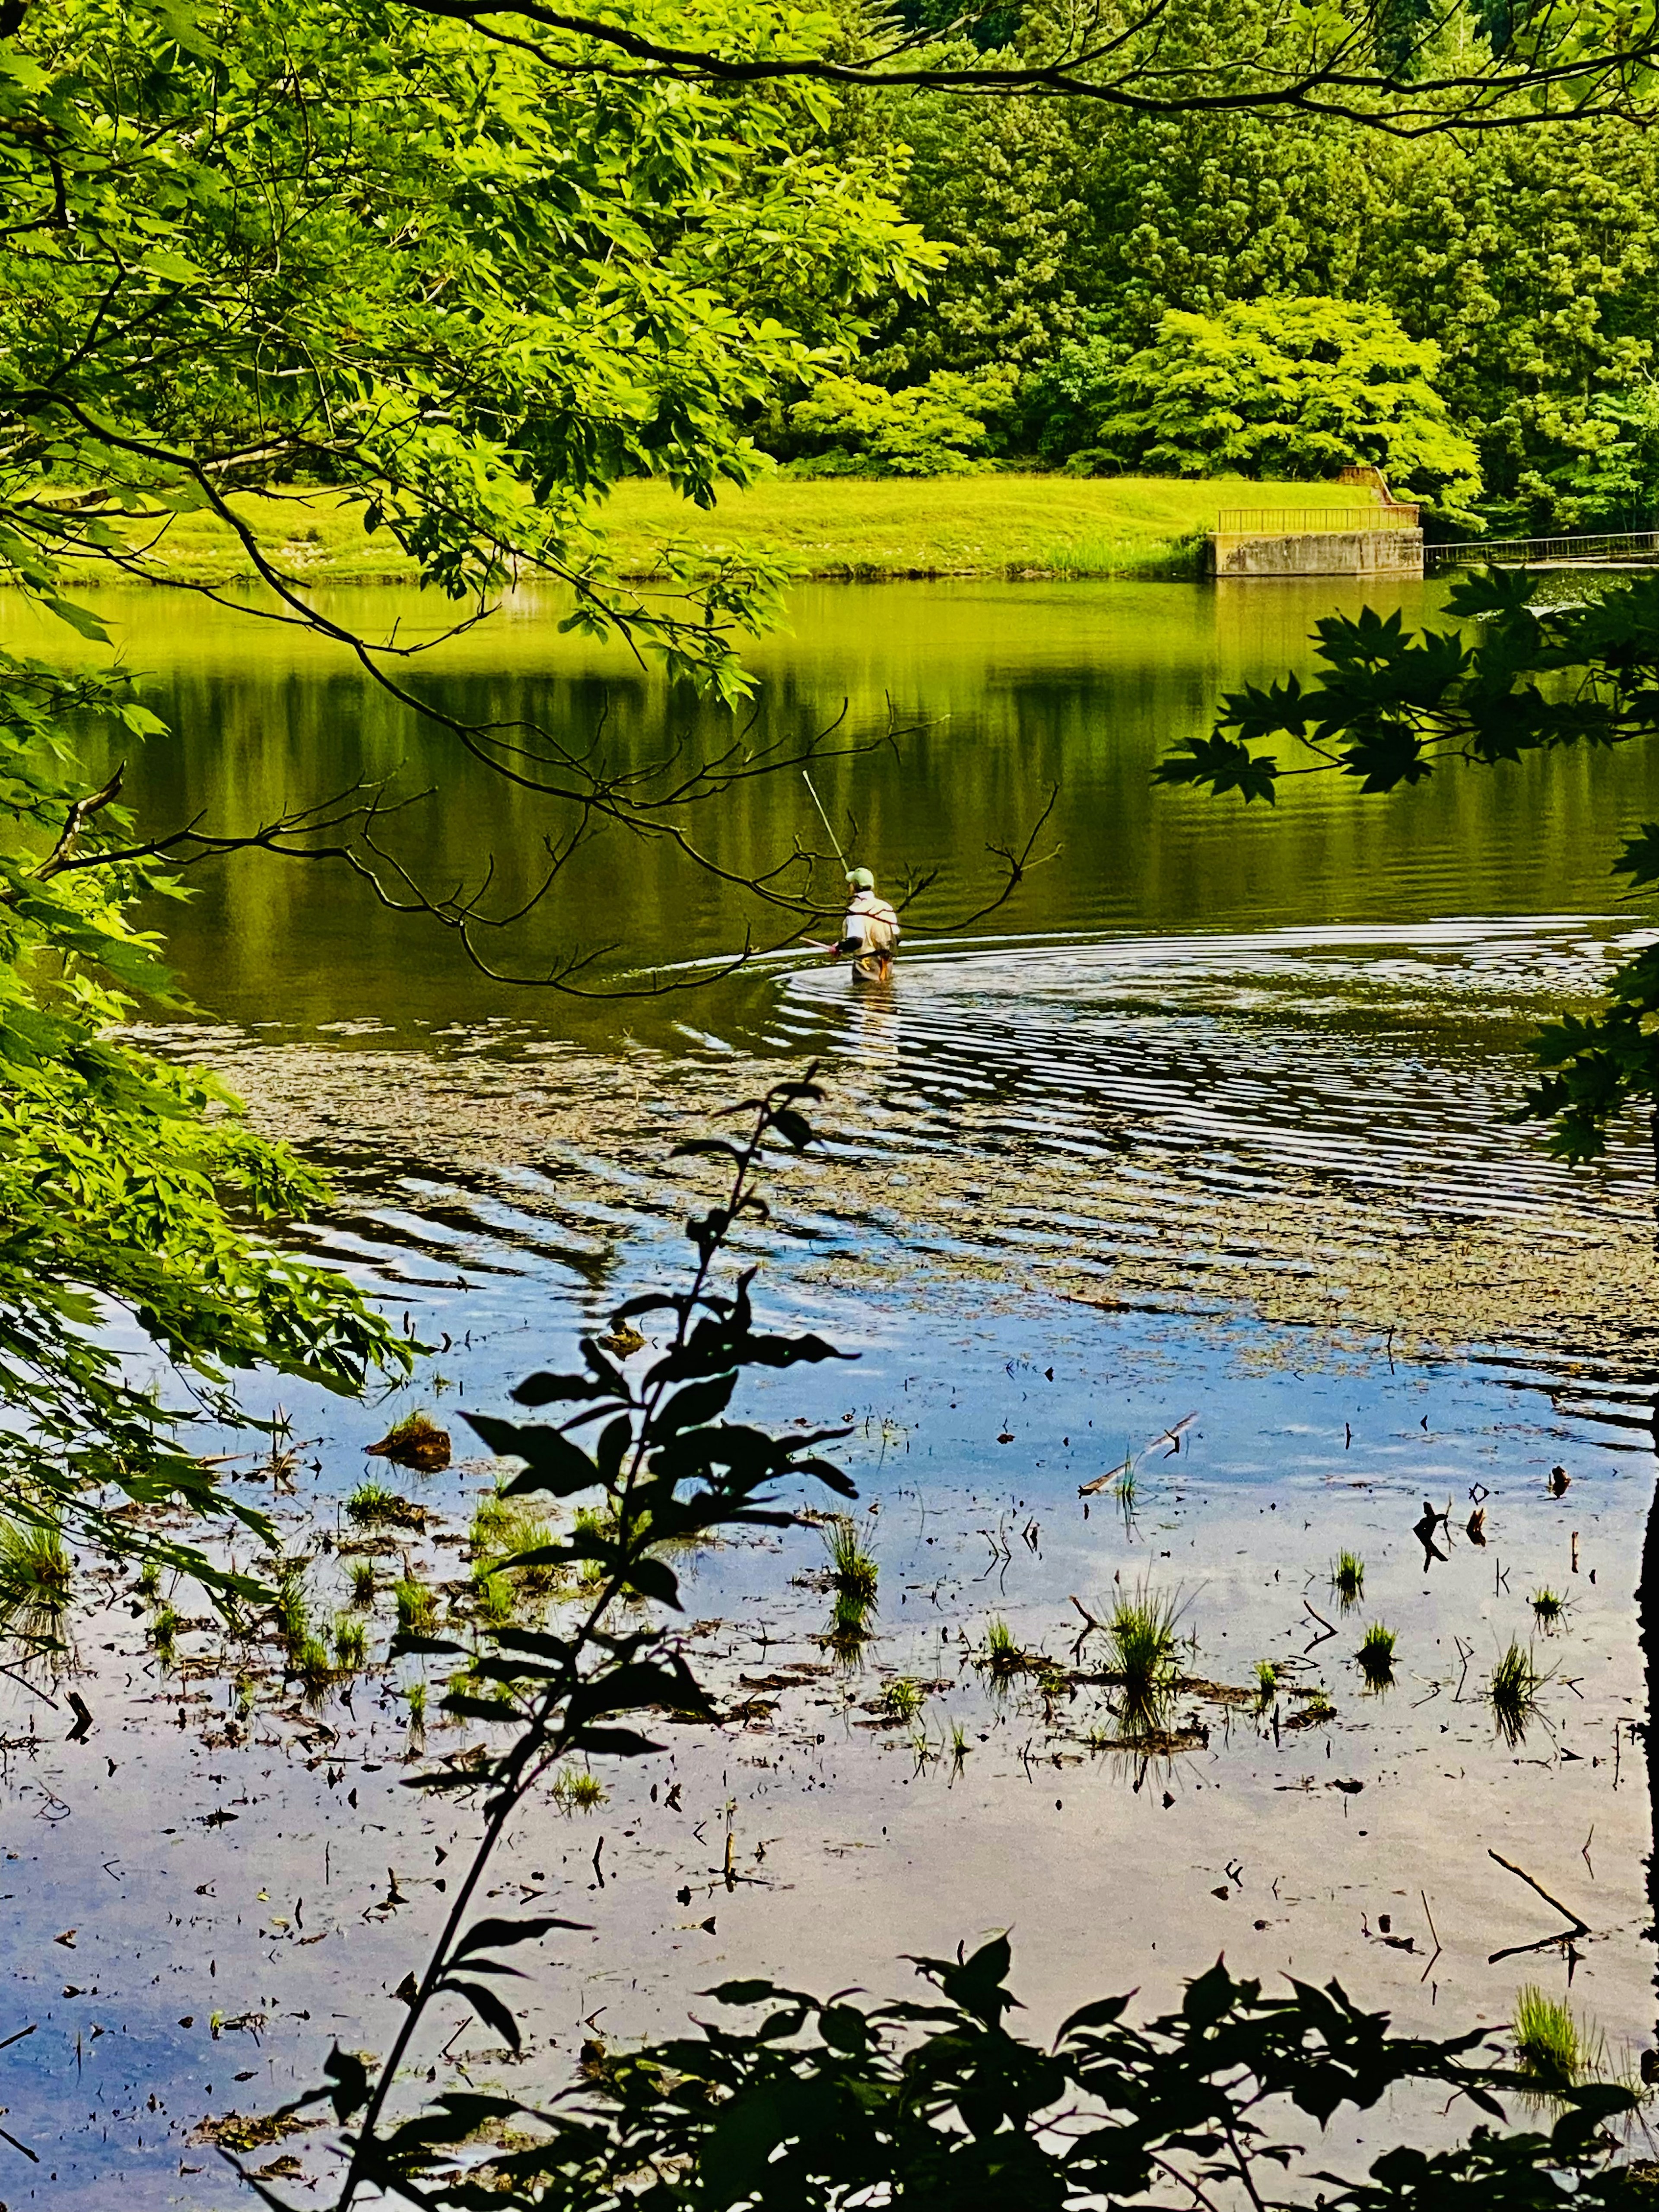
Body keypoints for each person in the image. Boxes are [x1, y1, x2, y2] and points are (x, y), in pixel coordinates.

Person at [834, 865, 901, 982]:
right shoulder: (886, 907)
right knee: (885, 993)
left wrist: (839, 947)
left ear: (853, 887)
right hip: (886, 965)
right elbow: (897, 937)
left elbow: (857, 941)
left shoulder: (855, 910)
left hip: (866, 966)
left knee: (865, 995)